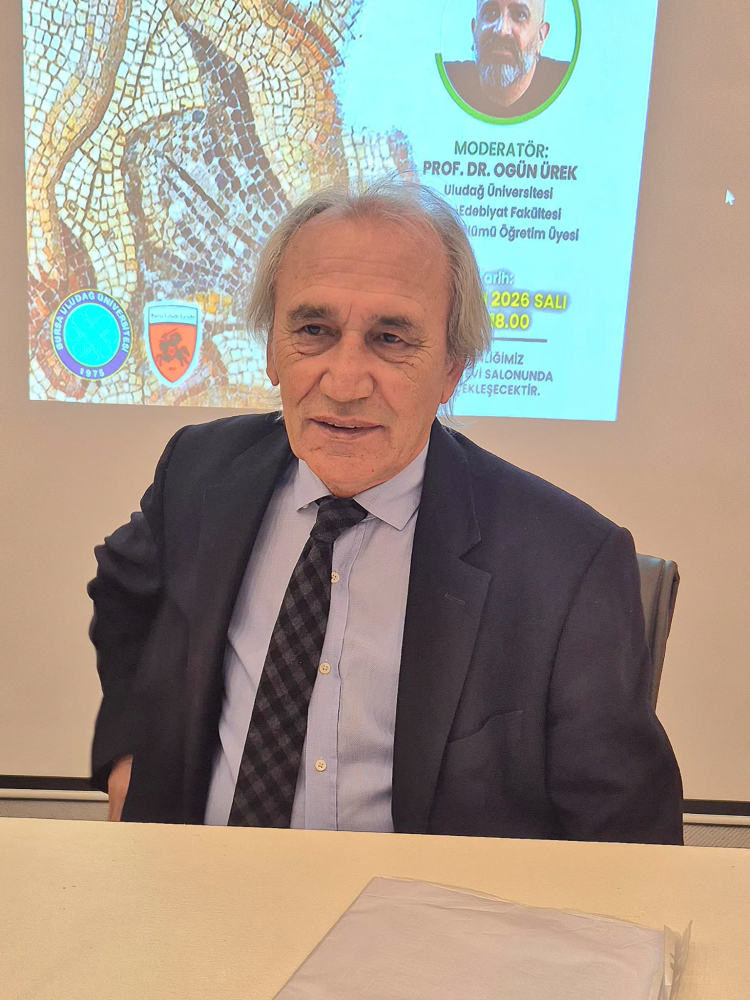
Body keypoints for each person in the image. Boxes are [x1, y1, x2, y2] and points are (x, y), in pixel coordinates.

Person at [89, 180, 683, 843]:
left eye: (391, 338)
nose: (344, 383)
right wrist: (129, 748)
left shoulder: (566, 564)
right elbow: (123, 596)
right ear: (272, 350)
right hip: (199, 885)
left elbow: (628, 842)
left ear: (453, 368)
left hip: (425, 904)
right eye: (313, 331)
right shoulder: (200, 473)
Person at [444, 0, 570, 118]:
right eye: (490, 12)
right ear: (474, 30)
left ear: (541, 36)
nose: (502, 30)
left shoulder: (569, 85)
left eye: (519, 15)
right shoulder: (446, 82)